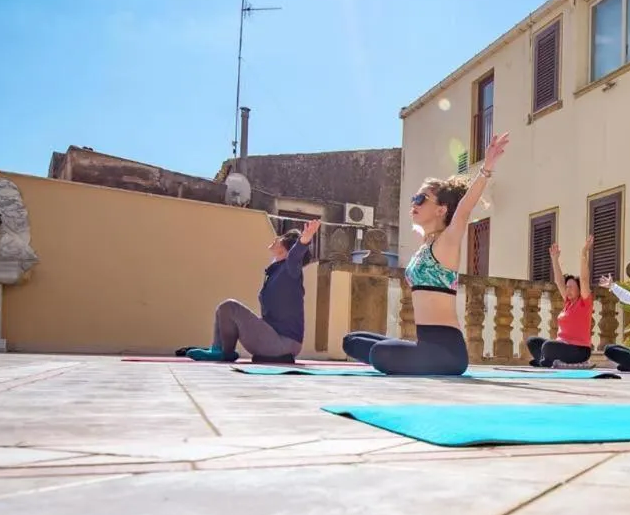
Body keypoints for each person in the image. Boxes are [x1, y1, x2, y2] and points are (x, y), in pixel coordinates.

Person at [342, 132, 510, 375]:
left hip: (448, 351)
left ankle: (407, 357)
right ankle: (409, 355)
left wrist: (486, 167)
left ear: (441, 209)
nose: (414, 203)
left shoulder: (447, 243)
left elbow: (463, 209)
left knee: (379, 353)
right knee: (352, 341)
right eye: (414, 198)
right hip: (425, 345)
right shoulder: (425, 244)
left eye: (421, 199)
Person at [186, 219, 320, 363]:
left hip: (284, 343)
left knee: (229, 306)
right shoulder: (275, 271)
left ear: (286, 249)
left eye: (281, 238)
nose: (276, 238)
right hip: (273, 338)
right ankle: (224, 351)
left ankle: (221, 351)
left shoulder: (290, 270)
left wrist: (304, 239)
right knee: (224, 310)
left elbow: (295, 256)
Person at [527, 236, 595, 368]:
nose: (567, 290)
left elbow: (585, 279)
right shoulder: (568, 304)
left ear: (579, 289)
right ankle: (547, 361)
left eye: (571, 287)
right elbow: (559, 281)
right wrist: (554, 259)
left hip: (579, 350)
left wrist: (584, 253)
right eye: (567, 287)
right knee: (532, 341)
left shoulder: (584, 302)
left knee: (548, 346)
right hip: (562, 346)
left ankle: (546, 361)